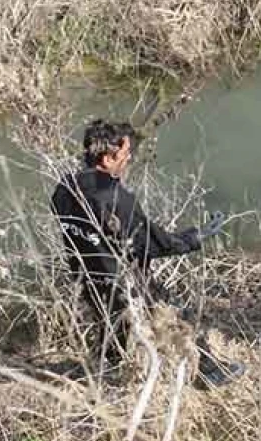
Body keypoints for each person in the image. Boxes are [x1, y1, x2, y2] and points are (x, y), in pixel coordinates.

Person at [50, 119, 240, 386]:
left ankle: (111, 379)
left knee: (112, 330)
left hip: (88, 280)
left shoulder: (64, 188)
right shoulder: (116, 198)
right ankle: (207, 373)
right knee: (177, 319)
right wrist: (196, 236)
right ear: (107, 158)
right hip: (126, 281)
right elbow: (154, 243)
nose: (128, 160)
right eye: (125, 154)